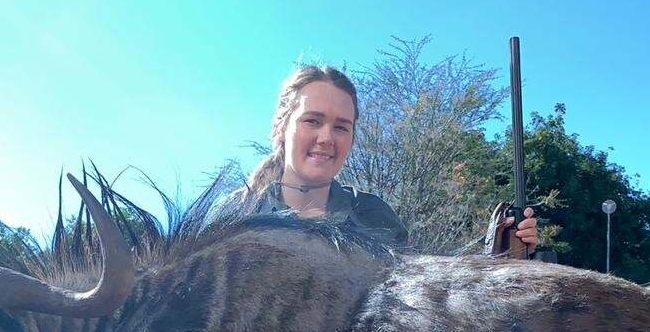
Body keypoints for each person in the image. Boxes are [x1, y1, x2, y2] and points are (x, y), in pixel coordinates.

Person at [213, 64, 540, 251]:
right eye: (312, 121)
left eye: (341, 127)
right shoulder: (232, 215)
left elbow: (420, 306)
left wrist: (498, 254)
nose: (326, 138)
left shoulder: (374, 215)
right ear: (281, 127)